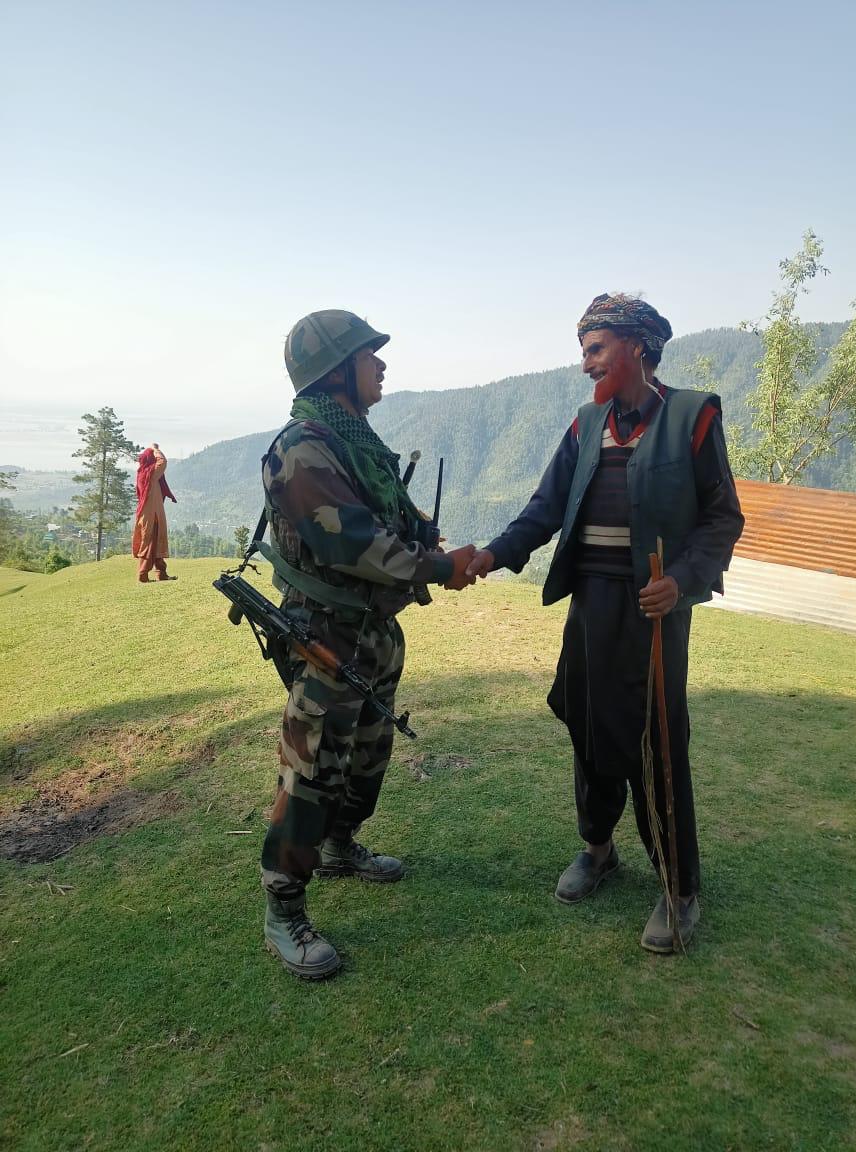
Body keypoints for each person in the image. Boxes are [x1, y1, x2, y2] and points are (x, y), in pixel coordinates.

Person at [466, 293, 744, 953]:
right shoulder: (586, 427)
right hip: (590, 601)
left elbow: (722, 517)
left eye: (596, 349)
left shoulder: (692, 417)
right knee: (588, 724)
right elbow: (545, 507)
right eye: (584, 351)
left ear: (637, 347)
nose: (586, 364)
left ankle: (680, 887)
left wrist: (681, 580)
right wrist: (492, 554)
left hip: (653, 610)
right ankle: (598, 850)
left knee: (655, 740)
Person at [260, 308, 477, 979]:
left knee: (366, 757)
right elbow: (349, 541)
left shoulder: (355, 442)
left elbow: (386, 519)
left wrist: (422, 537)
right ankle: (285, 910)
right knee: (311, 768)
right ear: (336, 370)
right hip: (327, 635)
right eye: (368, 355)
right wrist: (441, 566)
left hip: (373, 636)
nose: (380, 365)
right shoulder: (303, 448)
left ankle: (340, 846)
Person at [132, 443, 177, 582]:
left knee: (155, 544)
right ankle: (143, 574)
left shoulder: (144, 474)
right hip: (151, 516)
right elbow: (162, 462)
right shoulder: (149, 475)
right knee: (149, 545)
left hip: (151, 514)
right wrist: (155, 449)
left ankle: (161, 573)